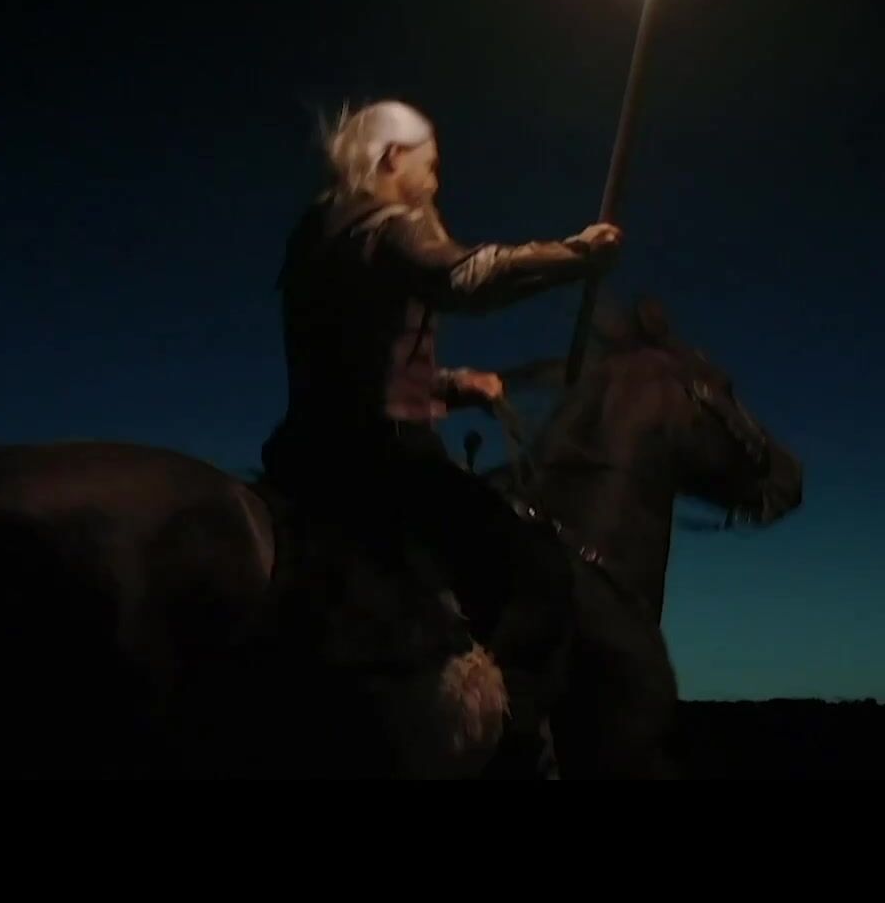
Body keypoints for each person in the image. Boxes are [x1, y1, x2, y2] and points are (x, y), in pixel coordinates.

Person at [260, 98, 622, 697]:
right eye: (429, 165)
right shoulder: (391, 225)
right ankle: (495, 729)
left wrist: (452, 385)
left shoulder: (316, 233)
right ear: (392, 158)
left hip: (302, 454)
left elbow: (350, 360)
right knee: (537, 573)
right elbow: (466, 277)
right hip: (384, 462)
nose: (436, 180)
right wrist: (578, 255)